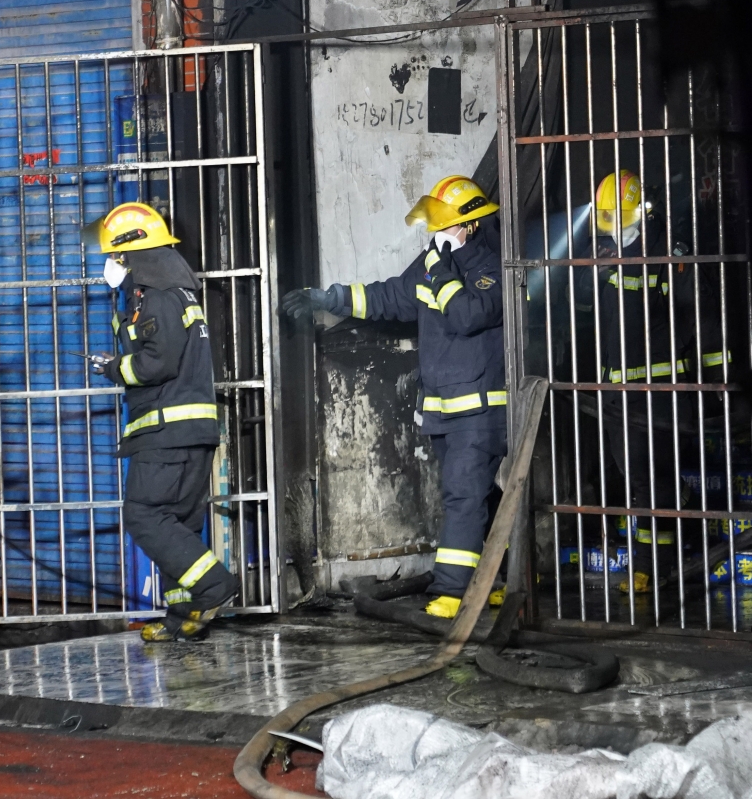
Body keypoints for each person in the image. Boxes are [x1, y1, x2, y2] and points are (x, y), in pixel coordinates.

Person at [281, 176, 508, 619]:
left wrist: (441, 271)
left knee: (464, 496)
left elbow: (467, 316)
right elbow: (388, 297)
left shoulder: (492, 267)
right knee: (476, 497)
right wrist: (331, 298)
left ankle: (451, 592)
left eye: (445, 224)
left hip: (480, 409)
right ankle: (495, 579)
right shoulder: (431, 264)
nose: (436, 232)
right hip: (444, 409)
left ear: (472, 224)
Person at [91, 202, 238, 641]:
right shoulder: (173, 292)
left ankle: (214, 586)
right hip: (188, 429)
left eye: (114, 257)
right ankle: (185, 617)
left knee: (145, 515)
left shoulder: (157, 297)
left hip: (166, 430)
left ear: (129, 255)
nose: (110, 265)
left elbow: (156, 362)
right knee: (179, 522)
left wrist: (114, 368)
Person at [588, 169, 730, 591]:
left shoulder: (670, 255)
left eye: (623, 219)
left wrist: (718, 383)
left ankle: (651, 566)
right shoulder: (608, 257)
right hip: (619, 397)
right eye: (610, 220)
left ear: (643, 213)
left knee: (651, 482)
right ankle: (677, 508)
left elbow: (703, 319)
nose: (617, 229)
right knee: (638, 478)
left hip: (662, 395)